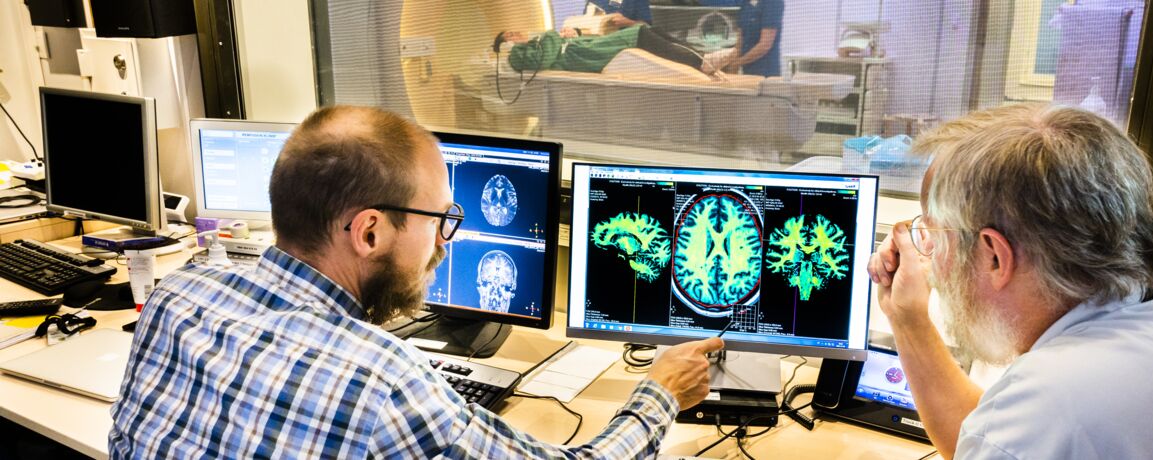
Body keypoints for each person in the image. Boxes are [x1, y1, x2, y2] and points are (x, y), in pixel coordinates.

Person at [109, 105, 724, 458]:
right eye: (441, 220)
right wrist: (660, 393)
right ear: (369, 233)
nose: (443, 242)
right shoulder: (381, 380)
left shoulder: (177, 296)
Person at [867, 104, 1153, 459]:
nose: (929, 258)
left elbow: (1012, 438)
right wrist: (906, 318)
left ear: (995, 255)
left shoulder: (1050, 407)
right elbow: (984, 439)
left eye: (933, 235)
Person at [498, 25, 713, 75]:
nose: (518, 33)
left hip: (580, 49)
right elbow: (542, 61)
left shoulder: (535, 41)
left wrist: (576, 32)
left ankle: (702, 57)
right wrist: (553, 35)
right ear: (507, 41)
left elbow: (552, 46)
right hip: (579, 57)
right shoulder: (516, 55)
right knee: (639, 34)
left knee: (647, 30)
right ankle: (700, 62)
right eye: (511, 35)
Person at [704, 0, 784, 77]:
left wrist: (738, 62)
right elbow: (740, 40)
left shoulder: (772, 2)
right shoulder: (745, 3)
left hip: (766, 73)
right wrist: (732, 68)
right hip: (748, 72)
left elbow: (765, 45)